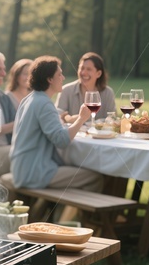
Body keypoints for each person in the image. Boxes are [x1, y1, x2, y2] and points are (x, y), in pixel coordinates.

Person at [10, 56, 103, 193]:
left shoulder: (30, 99)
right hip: (34, 172)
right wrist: (81, 119)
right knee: (95, 176)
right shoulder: (45, 103)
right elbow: (62, 140)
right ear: (49, 79)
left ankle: (56, 211)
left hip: (20, 167)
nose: (63, 78)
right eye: (59, 74)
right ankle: (72, 214)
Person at [56, 52, 115, 122]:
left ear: (98, 74)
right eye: (82, 68)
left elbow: (112, 118)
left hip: (99, 133)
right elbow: (58, 116)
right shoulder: (66, 90)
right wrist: (72, 118)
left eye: (89, 69)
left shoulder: (108, 93)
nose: (83, 72)